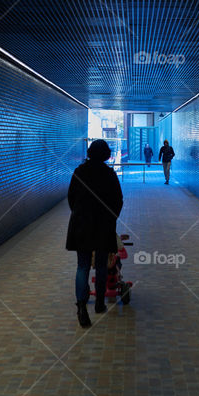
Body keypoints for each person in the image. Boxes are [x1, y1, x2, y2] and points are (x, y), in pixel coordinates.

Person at [66, 139, 124, 328]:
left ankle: (81, 308)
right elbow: (118, 200)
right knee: (100, 265)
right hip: (103, 225)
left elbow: (71, 197)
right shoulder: (109, 174)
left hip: (81, 225)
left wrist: (79, 214)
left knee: (82, 266)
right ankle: (99, 303)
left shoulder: (79, 172)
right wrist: (111, 218)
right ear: (106, 154)